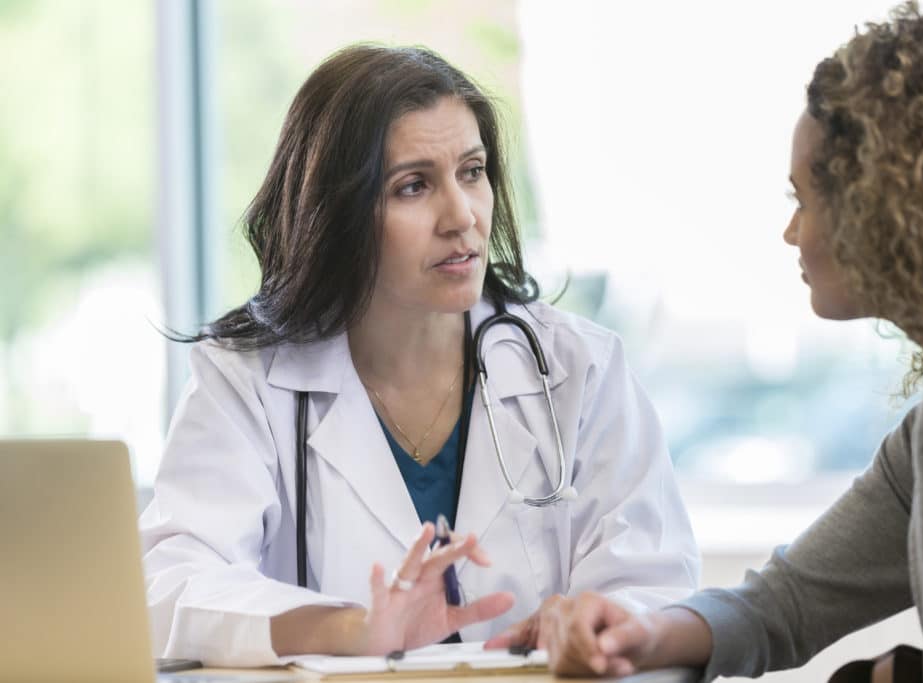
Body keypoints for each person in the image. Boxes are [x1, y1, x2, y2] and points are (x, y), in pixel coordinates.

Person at [139, 44, 699, 667]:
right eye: (413, 186)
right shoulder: (248, 382)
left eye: (472, 171)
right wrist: (349, 630)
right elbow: (169, 586)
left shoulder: (579, 370)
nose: (462, 217)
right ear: (336, 214)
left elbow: (656, 586)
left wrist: (596, 627)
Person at [532, 3, 923, 682]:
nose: (792, 232)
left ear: (885, 204)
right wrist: (644, 632)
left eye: (803, 199)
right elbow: (788, 602)